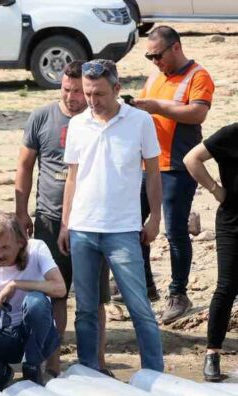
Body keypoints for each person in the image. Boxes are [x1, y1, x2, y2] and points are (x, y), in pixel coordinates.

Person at [59, 59, 164, 373]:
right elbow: (73, 176)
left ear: (117, 89)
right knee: (86, 310)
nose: (92, 101)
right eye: (88, 93)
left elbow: (154, 174)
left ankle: (154, 373)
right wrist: (66, 223)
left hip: (123, 229)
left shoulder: (141, 121)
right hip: (82, 228)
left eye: (100, 94)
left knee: (139, 307)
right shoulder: (78, 123)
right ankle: (90, 370)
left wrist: (155, 217)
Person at [15, 61, 111, 375]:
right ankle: (53, 364)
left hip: (91, 221)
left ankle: (98, 361)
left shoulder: (99, 120)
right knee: (54, 292)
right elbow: (25, 166)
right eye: (66, 90)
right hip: (48, 220)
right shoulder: (42, 117)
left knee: (94, 298)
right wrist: (21, 211)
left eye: (77, 92)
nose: (72, 98)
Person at [131, 26, 214, 324]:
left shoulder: (198, 76)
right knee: (132, 225)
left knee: (175, 230)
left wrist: (157, 107)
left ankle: (178, 293)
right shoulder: (155, 75)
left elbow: (197, 113)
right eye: (149, 56)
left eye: (158, 55)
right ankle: (145, 286)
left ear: (175, 48)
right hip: (147, 164)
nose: (154, 62)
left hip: (178, 165)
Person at [0, 216, 65, 389]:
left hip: (36, 334)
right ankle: (1, 376)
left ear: (21, 243)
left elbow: (60, 288)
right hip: (0, 332)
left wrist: (17, 285)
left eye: (5, 247)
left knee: (35, 302)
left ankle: (32, 366)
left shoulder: (37, 249)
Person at [183, 124, 236, 381]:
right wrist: (216, 190)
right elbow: (191, 158)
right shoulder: (231, 134)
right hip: (232, 222)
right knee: (226, 287)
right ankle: (212, 354)